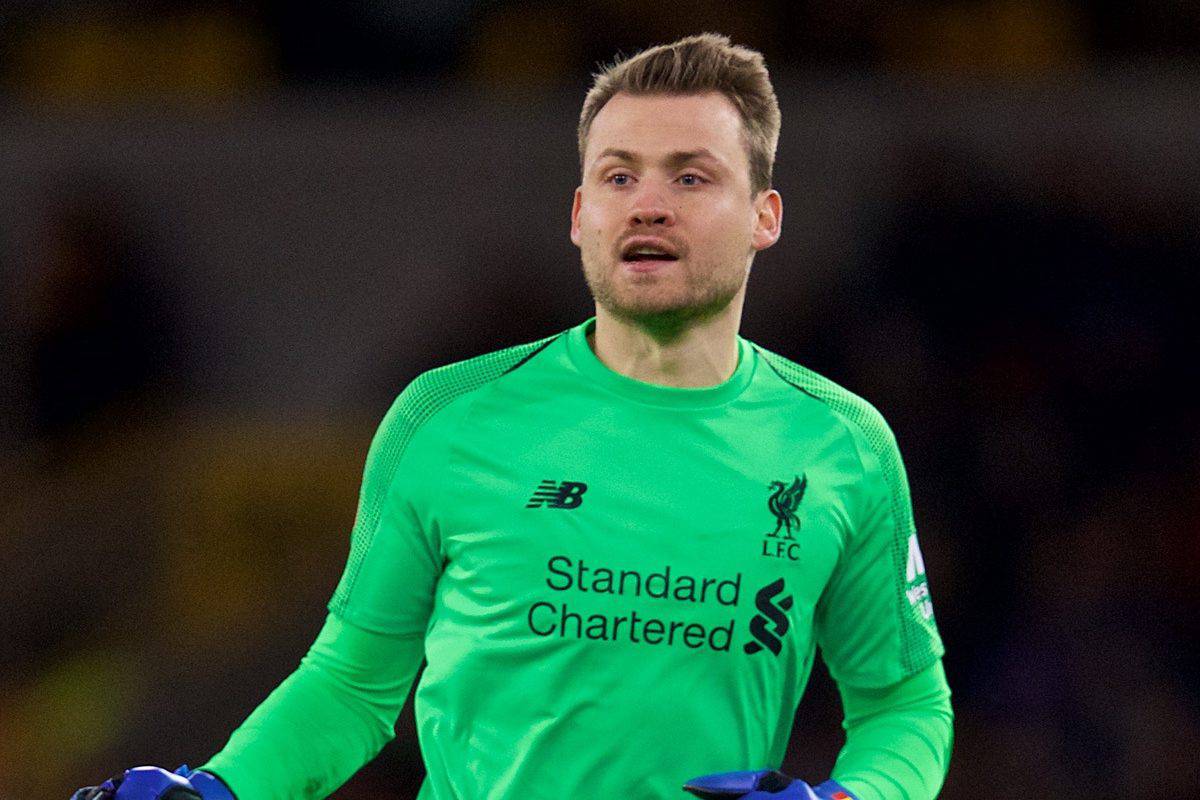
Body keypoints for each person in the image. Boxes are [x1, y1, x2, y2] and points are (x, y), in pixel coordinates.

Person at [73, 33, 953, 800]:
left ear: (764, 216)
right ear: (581, 215)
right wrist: (223, 788)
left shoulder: (843, 446)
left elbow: (906, 704)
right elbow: (352, 685)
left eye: (691, 175)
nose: (648, 203)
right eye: (619, 176)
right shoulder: (448, 418)